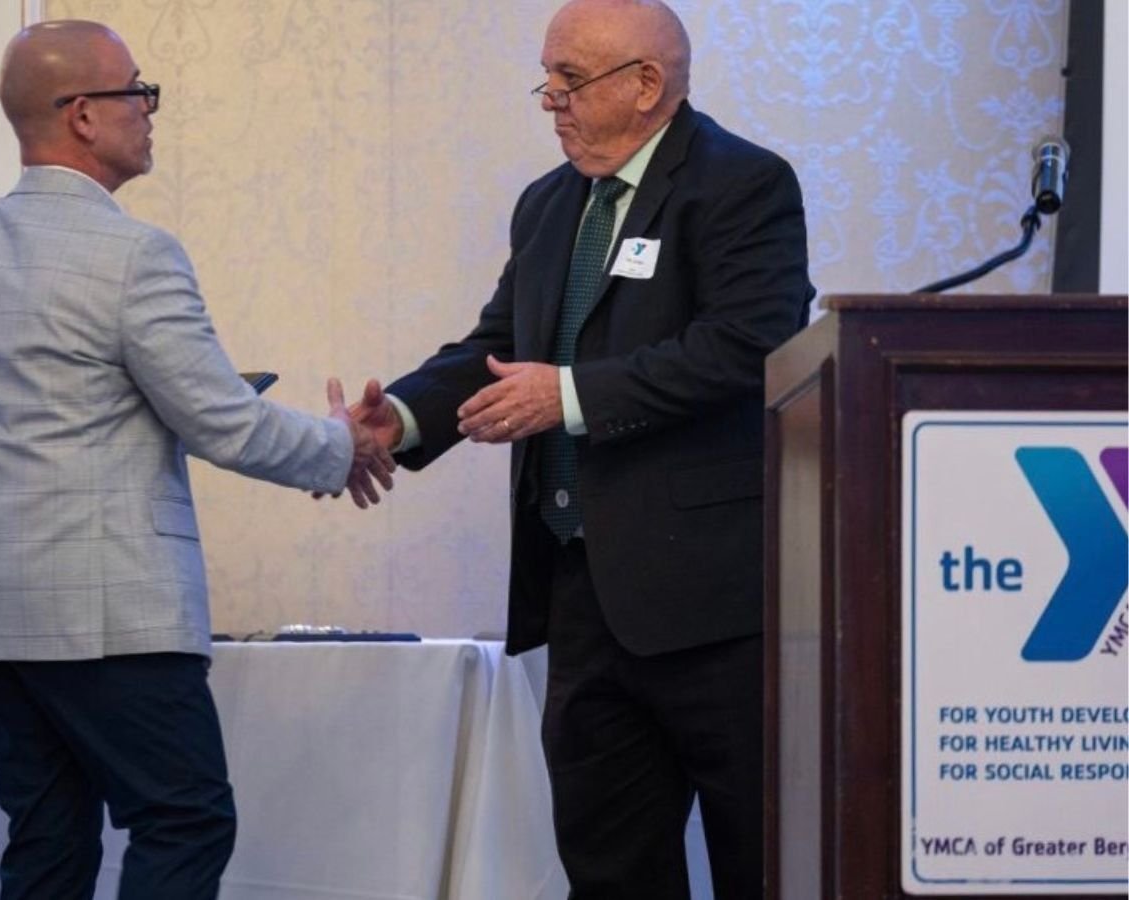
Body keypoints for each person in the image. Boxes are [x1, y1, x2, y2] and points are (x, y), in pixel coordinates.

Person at [347, 0, 814, 896]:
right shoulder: (550, 204)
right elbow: (491, 348)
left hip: (714, 608)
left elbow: (749, 344)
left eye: (570, 79)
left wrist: (566, 395)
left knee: (760, 862)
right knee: (608, 867)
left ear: (647, 85)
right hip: (581, 594)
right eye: (547, 79)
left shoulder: (741, 183)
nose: (550, 100)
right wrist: (398, 420)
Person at [0, 20, 393, 900]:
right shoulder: (133, 256)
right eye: (134, 91)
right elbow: (225, 422)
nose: (149, 110)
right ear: (81, 117)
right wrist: (345, 447)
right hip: (109, 617)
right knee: (185, 819)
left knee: (46, 842)